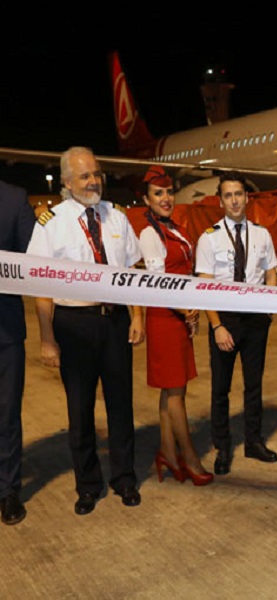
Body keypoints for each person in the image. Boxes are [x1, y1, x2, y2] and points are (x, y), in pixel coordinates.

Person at [27, 146, 145, 515]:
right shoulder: (51, 223)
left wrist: (137, 316)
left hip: (115, 321)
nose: (94, 181)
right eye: (84, 176)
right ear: (66, 181)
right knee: (80, 410)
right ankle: (88, 485)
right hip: (74, 324)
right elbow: (40, 285)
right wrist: (47, 338)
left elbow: (132, 272)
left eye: (96, 173)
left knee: (121, 405)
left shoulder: (117, 217)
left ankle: (124, 478)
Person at [195, 171, 277, 475]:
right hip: (225, 319)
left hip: (256, 319)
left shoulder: (262, 234)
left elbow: (271, 272)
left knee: (254, 385)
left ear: (247, 198)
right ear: (220, 201)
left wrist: (268, 308)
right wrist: (217, 326)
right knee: (221, 388)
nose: (234, 201)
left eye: (238, 194)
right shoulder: (209, 237)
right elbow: (204, 284)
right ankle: (222, 447)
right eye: (228, 195)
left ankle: (254, 441)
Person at [137, 166, 212, 486]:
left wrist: (189, 311)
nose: (166, 198)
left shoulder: (174, 228)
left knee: (171, 389)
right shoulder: (149, 234)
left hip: (179, 314)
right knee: (176, 392)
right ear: (147, 200)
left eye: (169, 192)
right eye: (158, 194)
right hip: (165, 317)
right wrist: (187, 310)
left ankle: (167, 452)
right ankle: (190, 458)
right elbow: (157, 284)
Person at [0, 179, 35, 525]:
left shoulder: (14, 200)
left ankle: (7, 490)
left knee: (7, 413)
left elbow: (34, 263)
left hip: (5, 330)